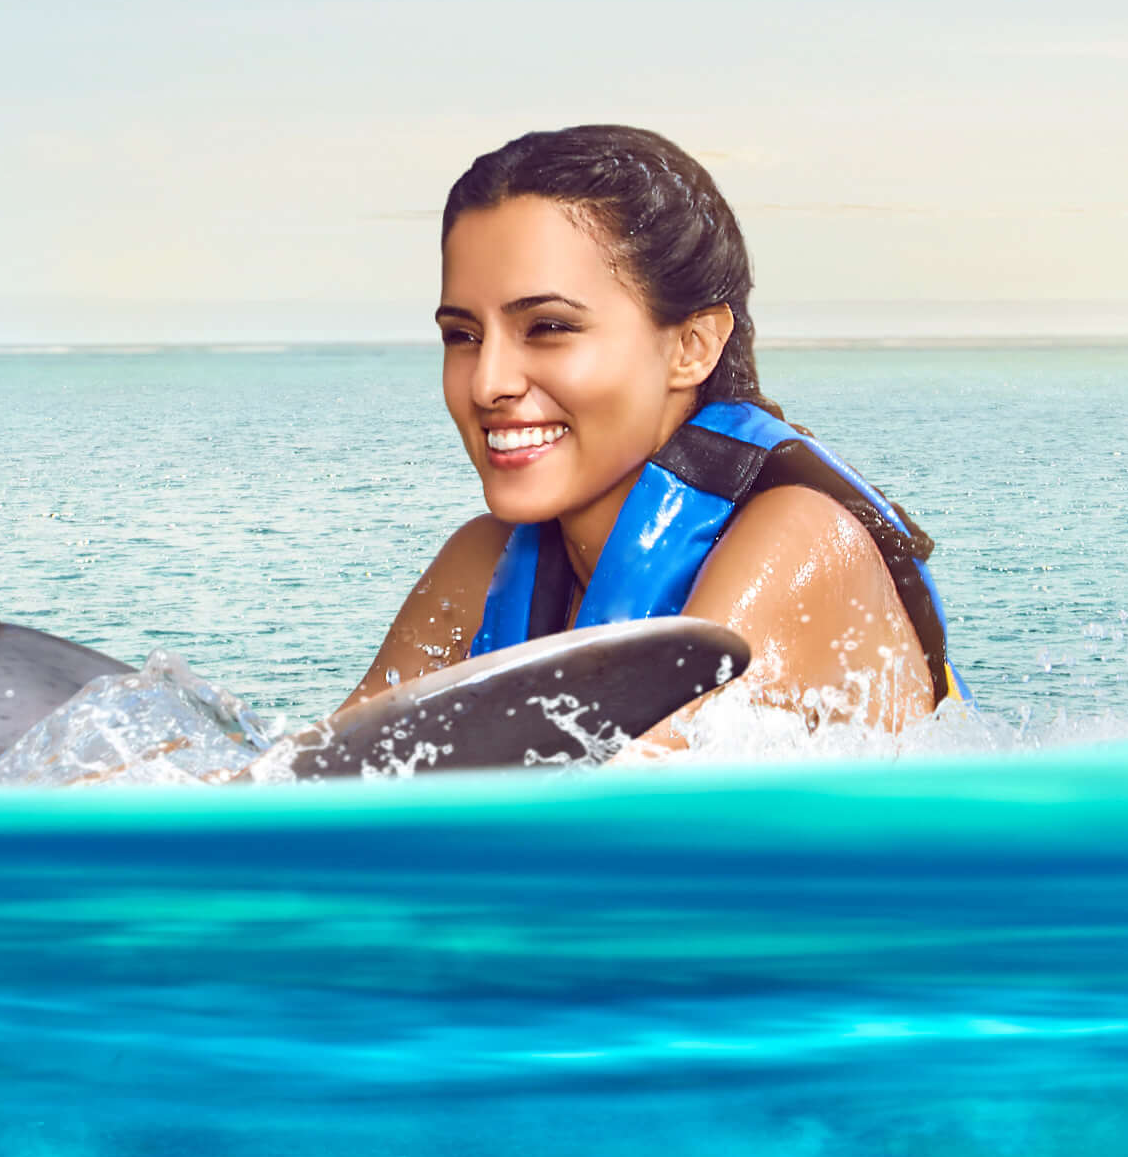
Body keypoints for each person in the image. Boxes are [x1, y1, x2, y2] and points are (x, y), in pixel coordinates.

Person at [343, 124, 948, 746]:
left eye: (548, 327)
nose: (486, 383)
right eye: (463, 337)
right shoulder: (481, 567)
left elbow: (620, 794)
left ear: (692, 346)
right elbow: (309, 783)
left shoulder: (800, 543)